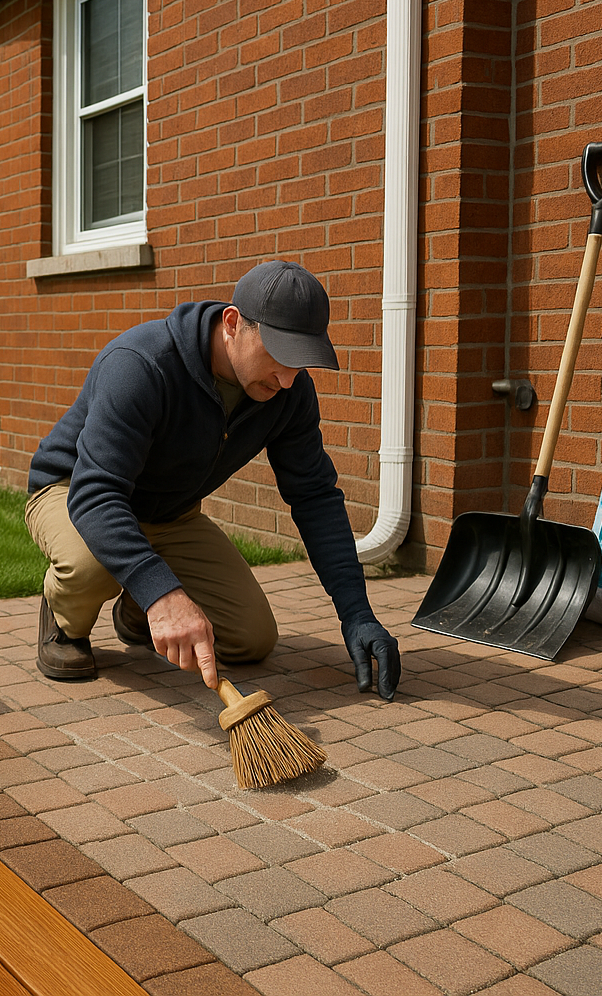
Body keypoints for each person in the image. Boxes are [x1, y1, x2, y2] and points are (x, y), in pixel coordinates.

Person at [25, 260, 400, 700]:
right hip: (74, 492)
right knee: (95, 566)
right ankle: (64, 620)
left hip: (171, 513)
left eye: (300, 364)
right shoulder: (141, 364)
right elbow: (96, 495)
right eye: (278, 356)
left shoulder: (288, 392)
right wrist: (163, 594)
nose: (286, 379)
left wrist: (356, 612)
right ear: (233, 323)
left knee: (252, 637)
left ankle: (137, 610)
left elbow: (314, 495)